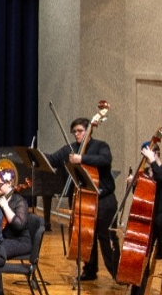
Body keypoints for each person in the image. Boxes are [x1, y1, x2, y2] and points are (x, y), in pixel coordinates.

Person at [46, 117, 117, 282]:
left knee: (105, 237)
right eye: (75, 132)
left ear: (89, 131)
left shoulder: (101, 146)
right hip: (84, 200)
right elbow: (53, 159)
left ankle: (116, 272)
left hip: (104, 199)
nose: (77, 134)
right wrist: (35, 156)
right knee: (87, 235)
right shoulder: (71, 149)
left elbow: (105, 160)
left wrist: (82, 159)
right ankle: (90, 270)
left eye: (80, 131)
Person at [127, 144, 162, 295]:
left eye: (149, 154)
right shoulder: (144, 175)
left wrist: (153, 160)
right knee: (142, 251)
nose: (147, 158)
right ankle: (138, 291)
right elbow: (141, 198)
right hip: (151, 220)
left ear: (156, 153)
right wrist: (133, 184)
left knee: (160, 220)